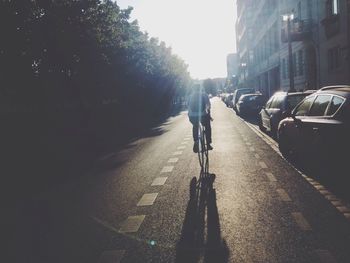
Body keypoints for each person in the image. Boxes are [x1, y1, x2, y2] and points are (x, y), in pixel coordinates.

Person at [188, 84, 213, 153]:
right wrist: (209, 115)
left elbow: (188, 106)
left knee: (195, 126)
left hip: (192, 116)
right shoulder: (204, 95)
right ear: (200, 88)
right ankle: (208, 144)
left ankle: (196, 140)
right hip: (203, 115)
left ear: (193, 89)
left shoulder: (190, 96)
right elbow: (208, 106)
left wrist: (190, 115)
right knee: (207, 127)